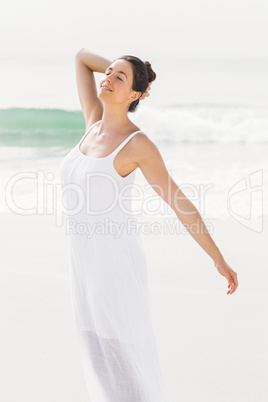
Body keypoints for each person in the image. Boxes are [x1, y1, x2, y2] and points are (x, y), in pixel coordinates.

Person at [60, 48, 238, 401]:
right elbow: (81, 57)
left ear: (136, 96)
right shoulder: (92, 122)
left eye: (118, 78)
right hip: (83, 264)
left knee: (124, 360)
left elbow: (179, 202)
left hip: (115, 267)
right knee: (95, 354)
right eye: (107, 73)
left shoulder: (137, 144)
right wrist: (131, 71)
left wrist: (217, 258)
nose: (107, 78)